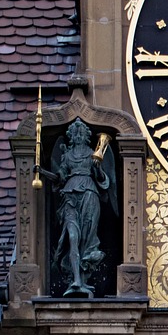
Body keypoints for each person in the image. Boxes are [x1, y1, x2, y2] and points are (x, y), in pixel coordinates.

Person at [45, 118, 115, 297]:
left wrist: (98, 167)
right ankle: (76, 280)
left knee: (87, 236)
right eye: (75, 133)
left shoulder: (93, 153)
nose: (78, 136)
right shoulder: (67, 156)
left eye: (81, 133)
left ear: (86, 135)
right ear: (71, 136)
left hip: (90, 194)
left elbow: (102, 179)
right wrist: (43, 172)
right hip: (69, 196)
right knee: (73, 237)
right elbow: (60, 176)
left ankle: (83, 278)